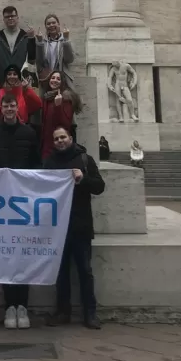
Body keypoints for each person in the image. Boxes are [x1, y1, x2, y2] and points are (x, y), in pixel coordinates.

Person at [0, 91, 41, 329]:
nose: (8, 108)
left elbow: (37, 164)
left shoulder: (29, 133)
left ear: (17, 108)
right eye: (5, 105)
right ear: (1, 108)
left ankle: (22, 306)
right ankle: (9, 306)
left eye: (12, 105)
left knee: (22, 255)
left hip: (23, 201)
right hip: (0, 202)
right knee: (7, 255)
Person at [43, 125, 105, 329]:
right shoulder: (49, 162)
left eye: (63, 137)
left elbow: (99, 186)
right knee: (61, 272)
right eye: (56, 138)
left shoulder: (85, 160)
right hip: (58, 227)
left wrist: (83, 178)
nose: (60, 141)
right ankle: (63, 311)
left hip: (80, 224)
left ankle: (90, 313)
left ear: (71, 138)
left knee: (85, 271)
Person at [0, 6, 35, 87]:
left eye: (13, 16)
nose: (10, 18)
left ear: (17, 18)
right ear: (3, 20)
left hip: (22, 80)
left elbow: (32, 57)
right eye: (7, 17)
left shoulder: (25, 36)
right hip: (2, 80)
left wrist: (32, 38)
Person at [38, 71, 82, 160]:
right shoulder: (47, 97)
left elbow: (65, 124)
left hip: (59, 144)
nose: (54, 80)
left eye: (58, 79)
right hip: (46, 144)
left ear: (62, 82)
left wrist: (58, 106)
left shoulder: (66, 98)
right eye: (53, 78)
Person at [29, 14, 74, 87]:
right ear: (46, 27)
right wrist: (39, 42)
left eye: (53, 22)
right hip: (46, 80)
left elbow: (69, 60)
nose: (51, 25)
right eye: (48, 24)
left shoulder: (65, 40)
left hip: (62, 80)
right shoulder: (42, 42)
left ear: (58, 24)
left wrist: (66, 39)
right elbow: (39, 62)